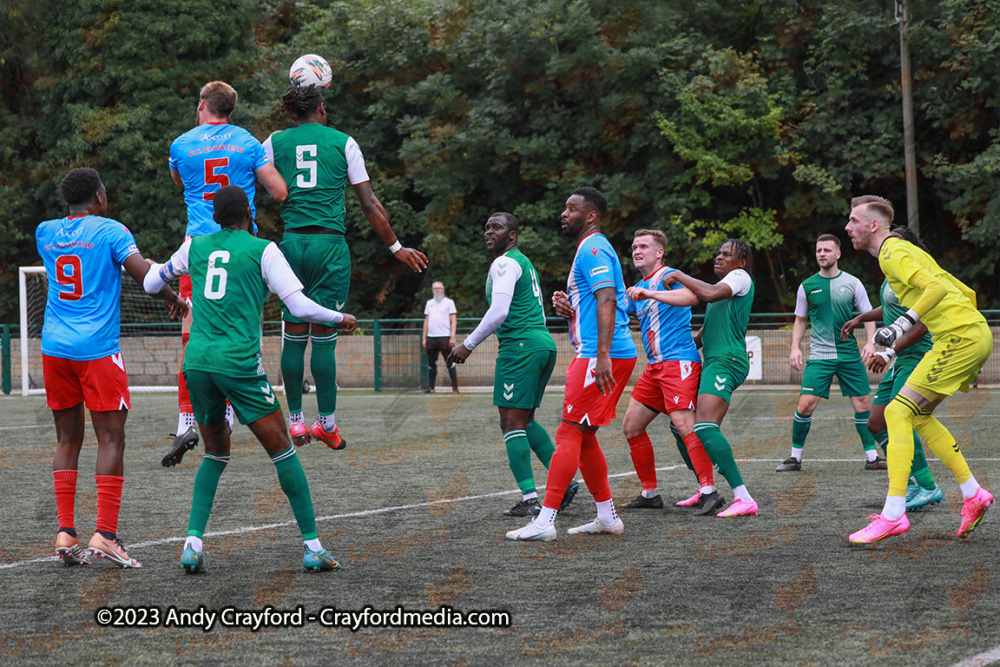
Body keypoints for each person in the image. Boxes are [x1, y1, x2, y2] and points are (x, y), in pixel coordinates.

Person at [144, 185, 355, 572]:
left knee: (216, 454)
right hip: (239, 365)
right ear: (248, 213)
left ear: (214, 214)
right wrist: (339, 317)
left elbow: (150, 283)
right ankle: (313, 548)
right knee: (283, 452)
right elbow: (299, 305)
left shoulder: (195, 246)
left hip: (198, 364)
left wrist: (177, 300)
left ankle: (192, 545)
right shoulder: (263, 249)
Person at [263, 85, 427, 447]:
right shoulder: (344, 142)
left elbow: (258, 184)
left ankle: (294, 422)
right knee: (324, 337)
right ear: (321, 109)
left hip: (289, 244)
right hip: (329, 245)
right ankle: (327, 423)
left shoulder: (273, 141)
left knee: (293, 335)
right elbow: (368, 203)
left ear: (294, 112)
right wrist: (396, 247)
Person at [40, 168, 187, 568]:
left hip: (54, 347)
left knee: (67, 441)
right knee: (111, 439)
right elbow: (148, 280)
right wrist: (176, 299)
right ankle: (104, 534)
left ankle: (65, 532)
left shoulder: (45, 232)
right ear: (99, 198)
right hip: (97, 350)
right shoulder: (112, 231)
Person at [845, 195, 993, 544]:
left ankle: (893, 515)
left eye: (854, 220)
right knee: (916, 416)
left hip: (959, 337)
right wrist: (976, 344)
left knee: (896, 413)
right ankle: (973, 494)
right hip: (961, 337)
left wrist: (898, 329)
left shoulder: (892, 252)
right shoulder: (900, 252)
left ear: (873, 225)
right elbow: (962, 290)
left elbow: (938, 288)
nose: (848, 227)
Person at [163, 80, 289, 467]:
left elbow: (181, 183)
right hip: (240, 249)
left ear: (202, 103)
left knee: (192, 339)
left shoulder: (181, 145)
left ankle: (188, 418)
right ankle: (233, 412)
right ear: (230, 110)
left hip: (197, 251)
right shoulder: (247, 142)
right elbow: (280, 192)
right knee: (242, 330)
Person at [507, 187, 637, 542]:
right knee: (585, 435)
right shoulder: (592, 248)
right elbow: (600, 300)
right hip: (606, 351)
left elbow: (609, 299)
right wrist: (571, 309)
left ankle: (545, 520)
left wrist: (603, 355)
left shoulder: (593, 247)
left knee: (567, 432)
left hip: (599, 354)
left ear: (591, 215)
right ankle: (606, 516)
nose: (564, 214)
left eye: (571, 208)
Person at [447, 213, 578, 517]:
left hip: (520, 346)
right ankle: (566, 482)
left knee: (511, 423)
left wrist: (468, 344)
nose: (489, 232)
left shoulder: (504, 262)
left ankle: (531, 498)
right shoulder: (523, 262)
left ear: (513, 235)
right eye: (486, 227)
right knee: (526, 421)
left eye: (497, 227)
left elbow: (499, 312)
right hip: (541, 343)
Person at [620, 229, 723, 515]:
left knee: (684, 425)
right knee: (632, 426)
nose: (637, 251)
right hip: (654, 369)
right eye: (634, 247)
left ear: (659, 252)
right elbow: (616, 309)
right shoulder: (639, 287)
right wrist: (573, 307)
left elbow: (692, 297)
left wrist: (649, 293)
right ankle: (650, 493)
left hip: (678, 363)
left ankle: (709, 491)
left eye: (643, 246)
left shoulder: (669, 275)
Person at [841, 226, 942, 511]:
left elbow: (923, 322)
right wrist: (860, 317)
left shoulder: (913, 272)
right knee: (875, 422)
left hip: (917, 355)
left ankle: (926, 486)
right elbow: (891, 310)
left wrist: (888, 351)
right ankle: (911, 483)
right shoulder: (891, 274)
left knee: (900, 418)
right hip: (901, 357)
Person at [660, 240, 759, 517]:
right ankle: (706, 490)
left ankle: (744, 497)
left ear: (741, 262)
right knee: (679, 425)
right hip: (714, 361)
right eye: (718, 253)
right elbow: (703, 334)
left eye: (726, 254)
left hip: (728, 361)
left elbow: (710, 294)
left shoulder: (738, 278)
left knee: (704, 427)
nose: (719, 257)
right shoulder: (724, 289)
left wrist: (678, 274)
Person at [776, 234, 882, 472]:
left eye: (826, 250)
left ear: (838, 254)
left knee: (863, 404)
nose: (821, 254)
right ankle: (795, 459)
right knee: (805, 405)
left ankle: (872, 458)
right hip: (819, 357)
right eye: (818, 250)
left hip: (849, 355)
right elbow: (800, 320)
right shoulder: (807, 286)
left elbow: (867, 316)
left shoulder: (853, 283)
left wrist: (870, 343)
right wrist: (794, 348)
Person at [423, 281, 459, 393]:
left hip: (444, 337)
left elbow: (453, 320)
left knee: (450, 363)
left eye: (439, 288)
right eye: (435, 288)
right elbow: (426, 321)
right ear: (432, 290)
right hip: (431, 338)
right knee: (431, 364)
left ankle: (455, 388)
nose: (437, 290)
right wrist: (424, 338)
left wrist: (452, 336)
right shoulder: (429, 303)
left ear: (443, 289)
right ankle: (431, 387)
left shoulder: (449, 303)